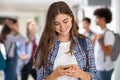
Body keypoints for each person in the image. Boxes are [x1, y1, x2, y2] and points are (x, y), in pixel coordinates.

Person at [34, 1, 96, 80]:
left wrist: (81, 73)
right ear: (51, 24)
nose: (62, 27)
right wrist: (54, 75)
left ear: (71, 18)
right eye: (56, 23)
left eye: (65, 21)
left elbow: (93, 77)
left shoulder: (86, 43)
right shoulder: (44, 47)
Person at [94, 7, 115, 80]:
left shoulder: (108, 34)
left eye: (97, 17)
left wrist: (99, 41)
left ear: (103, 19)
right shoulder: (100, 33)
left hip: (104, 69)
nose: (95, 19)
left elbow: (108, 52)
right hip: (99, 67)